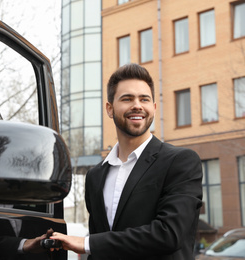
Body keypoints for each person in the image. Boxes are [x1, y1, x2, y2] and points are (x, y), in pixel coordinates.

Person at [51, 63, 203, 260]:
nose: (137, 105)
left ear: (154, 108)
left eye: (144, 99)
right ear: (109, 108)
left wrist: (87, 243)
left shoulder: (181, 162)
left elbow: (169, 233)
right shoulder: (95, 176)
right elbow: (101, 249)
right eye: (127, 99)